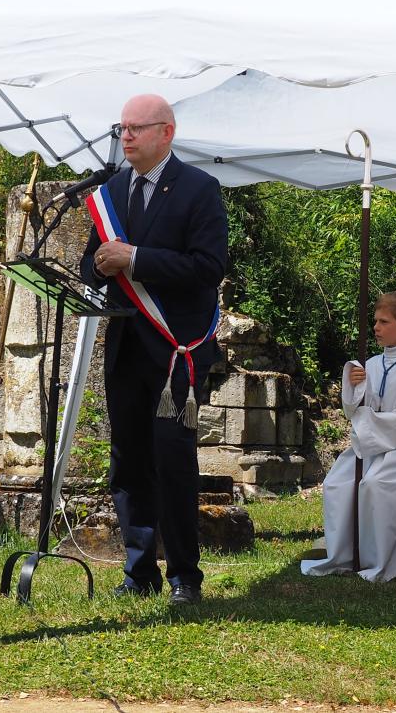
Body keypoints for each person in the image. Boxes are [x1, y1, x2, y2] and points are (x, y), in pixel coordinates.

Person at [79, 94, 227, 605]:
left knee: (172, 459)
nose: (126, 137)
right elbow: (90, 263)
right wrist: (100, 266)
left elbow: (208, 268)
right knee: (129, 461)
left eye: (137, 128)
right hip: (125, 346)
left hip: (176, 350)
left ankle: (185, 574)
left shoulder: (199, 189)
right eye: (122, 128)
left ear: (167, 132)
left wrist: (136, 258)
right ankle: (138, 569)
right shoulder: (112, 190)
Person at [302, 292, 396, 582]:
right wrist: (354, 389)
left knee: (376, 484)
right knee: (337, 482)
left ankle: (384, 561)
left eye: (383, 321)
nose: (375, 327)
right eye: (374, 321)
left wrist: (371, 423)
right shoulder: (372, 364)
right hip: (369, 445)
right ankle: (345, 555)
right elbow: (356, 411)